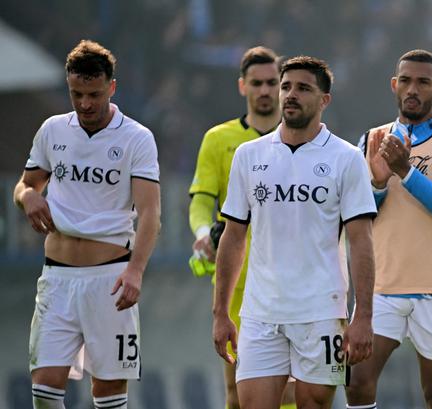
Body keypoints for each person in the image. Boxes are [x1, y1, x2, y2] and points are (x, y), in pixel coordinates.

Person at [212, 56, 376, 409]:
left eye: (303, 88)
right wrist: (220, 313)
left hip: (321, 311)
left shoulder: (346, 158)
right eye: (286, 86)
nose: (290, 94)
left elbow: (361, 241)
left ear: (324, 100)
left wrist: (363, 315)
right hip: (260, 313)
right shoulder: (248, 155)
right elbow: (233, 236)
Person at [13, 40, 161, 409]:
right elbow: (26, 184)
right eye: (76, 93)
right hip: (57, 281)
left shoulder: (136, 138)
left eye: (93, 94)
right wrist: (27, 197)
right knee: (44, 393)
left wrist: (136, 271)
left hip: (109, 282)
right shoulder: (53, 130)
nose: (84, 103)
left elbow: (151, 214)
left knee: (109, 397)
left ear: (112, 87)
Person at [345, 49, 432, 409]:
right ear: (394, 84)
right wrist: (376, 184)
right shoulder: (372, 139)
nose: (412, 89)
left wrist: (406, 173)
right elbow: (358, 218)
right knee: (357, 383)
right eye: (405, 80)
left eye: (423, 82)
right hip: (383, 286)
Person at [187, 45, 296, 409]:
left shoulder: (304, 140)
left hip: (291, 281)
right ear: (242, 86)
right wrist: (203, 235)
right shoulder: (218, 139)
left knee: (297, 391)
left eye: (271, 83)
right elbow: (201, 201)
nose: (264, 91)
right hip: (237, 283)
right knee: (238, 391)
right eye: (256, 83)